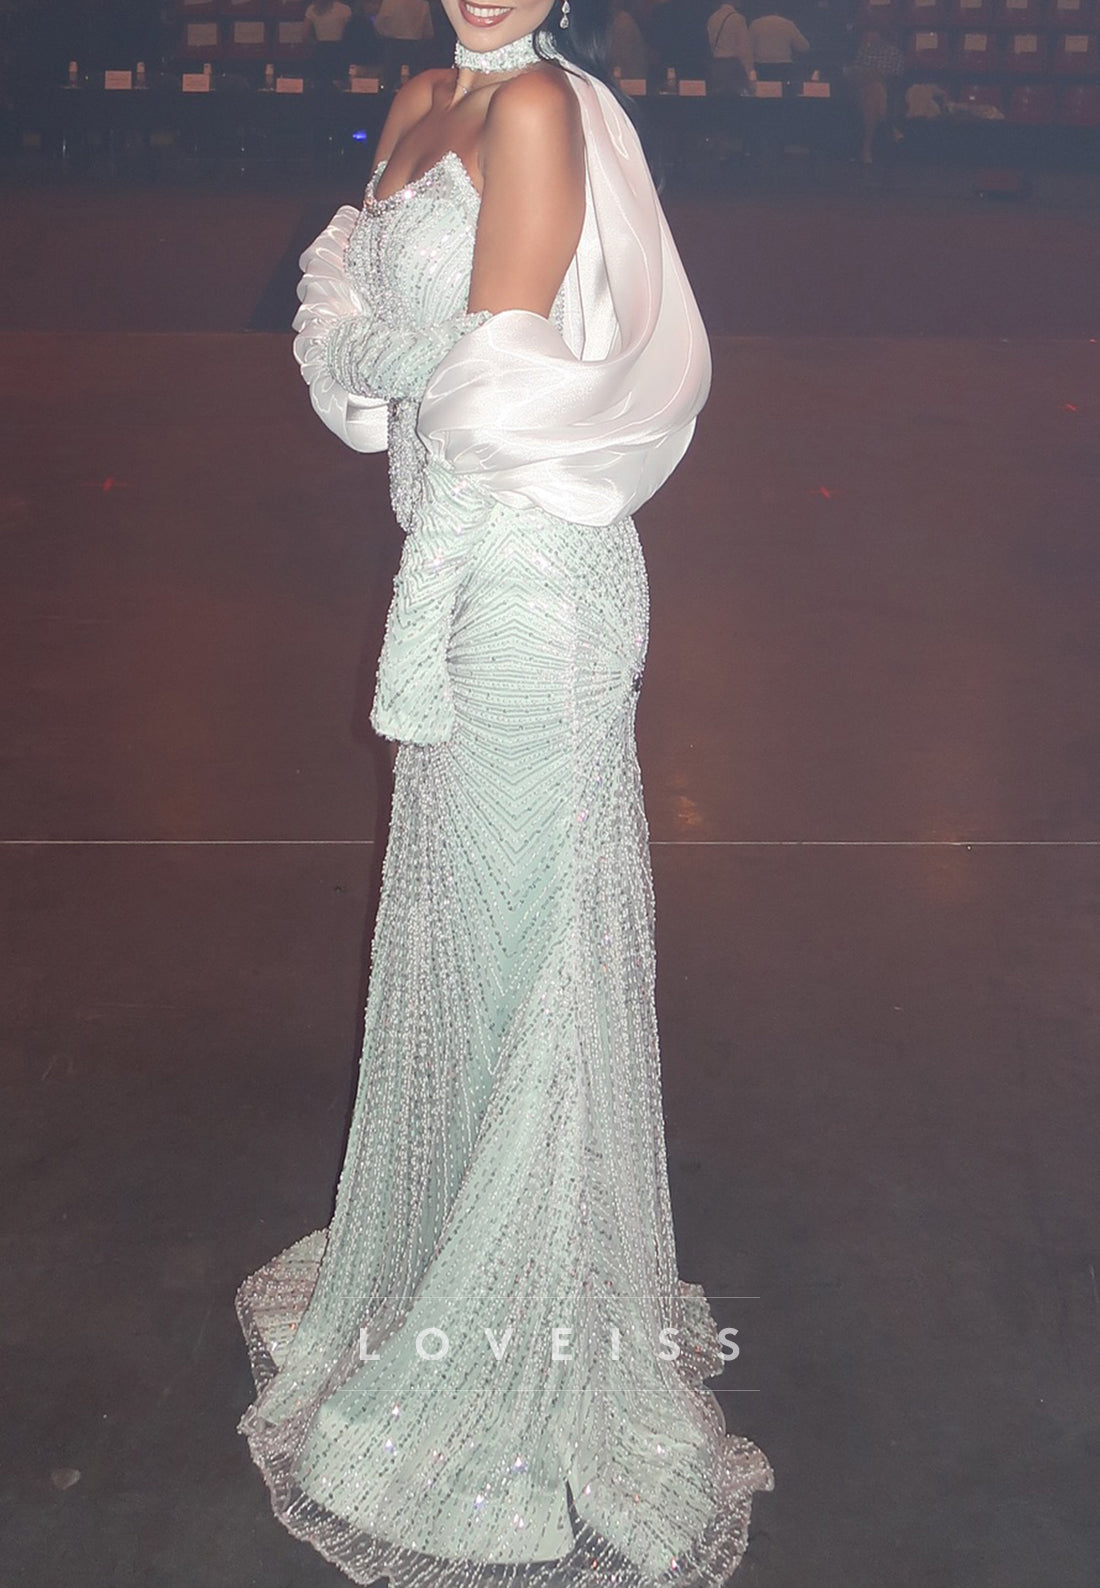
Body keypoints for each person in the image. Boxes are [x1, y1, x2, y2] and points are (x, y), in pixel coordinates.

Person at [235, 1, 774, 1584]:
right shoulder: (418, 95)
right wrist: (364, 344)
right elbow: (362, 307)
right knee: (472, 948)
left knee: (535, 953)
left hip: (529, 580)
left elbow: (491, 379)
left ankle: (528, 1335)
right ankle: (461, 1260)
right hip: (458, 555)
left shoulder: (540, 110)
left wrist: (355, 348)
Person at [848, 24, 904, 162]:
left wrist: (877, 76)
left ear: (881, 34)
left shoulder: (894, 53)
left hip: (882, 88)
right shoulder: (863, 51)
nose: (868, 36)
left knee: (873, 97)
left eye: (872, 32)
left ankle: (866, 149)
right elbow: (855, 72)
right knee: (872, 82)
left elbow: (897, 75)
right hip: (862, 89)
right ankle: (887, 123)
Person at [373, 0, 434, 81]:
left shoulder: (390, 2)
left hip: (393, 45)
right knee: (414, 78)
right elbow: (428, 31)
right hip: (415, 46)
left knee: (391, 77)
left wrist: (383, 34)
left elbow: (379, 23)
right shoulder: (423, 3)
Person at [707, 0, 755, 94]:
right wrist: (749, 70)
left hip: (716, 65)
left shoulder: (712, 17)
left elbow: (711, 43)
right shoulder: (738, 18)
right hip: (733, 66)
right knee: (733, 97)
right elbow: (744, 49)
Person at [305, 0, 353, 79]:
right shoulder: (345, 9)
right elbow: (350, 34)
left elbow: (305, 35)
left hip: (321, 50)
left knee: (321, 80)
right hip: (339, 50)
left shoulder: (312, 9)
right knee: (339, 80)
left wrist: (316, 46)